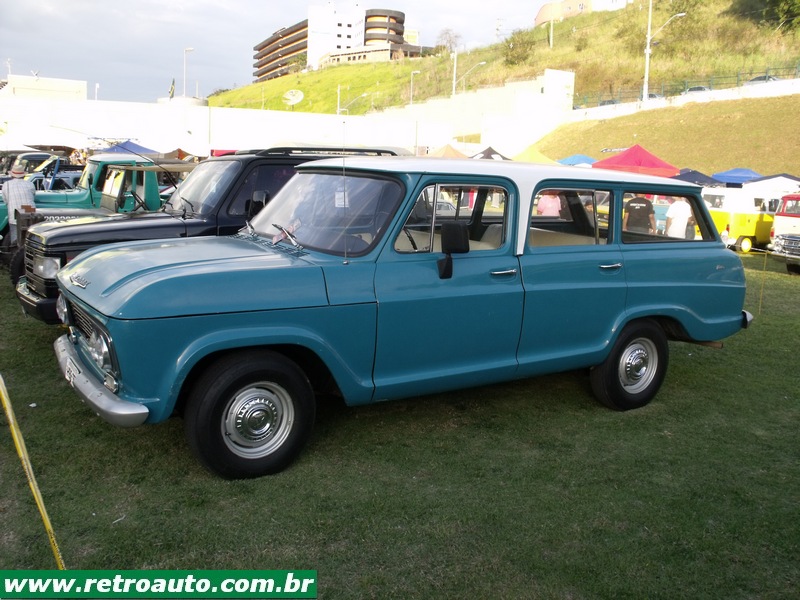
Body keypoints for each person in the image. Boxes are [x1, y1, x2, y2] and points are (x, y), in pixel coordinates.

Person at [2, 165, 36, 245]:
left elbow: (6, 200)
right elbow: (32, 197)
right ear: (23, 175)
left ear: (12, 175)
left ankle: (16, 249)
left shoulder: (6, 184)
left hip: (15, 211)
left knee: (15, 237)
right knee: (30, 236)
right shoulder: (30, 184)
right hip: (29, 210)